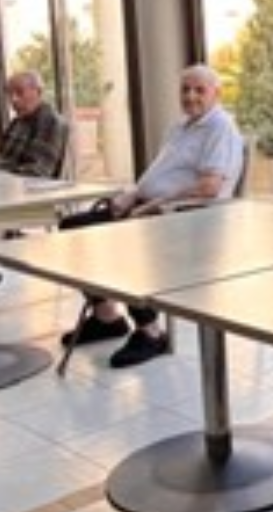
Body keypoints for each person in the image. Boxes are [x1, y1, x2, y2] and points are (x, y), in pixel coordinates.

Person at [58, 64, 244, 369]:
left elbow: (209, 187)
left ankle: (151, 332)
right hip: (148, 208)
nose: (190, 96)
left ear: (217, 93)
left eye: (199, 90)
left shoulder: (219, 128)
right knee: (71, 230)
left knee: (124, 241)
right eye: (185, 89)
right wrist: (132, 195)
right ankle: (107, 317)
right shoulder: (180, 126)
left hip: (185, 221)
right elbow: (157, 174)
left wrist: (151, 205)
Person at [0, 70, 70, 178]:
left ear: (38, 92)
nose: (13, 100)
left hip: (27, 187)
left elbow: (36, 172)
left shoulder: (51, 122)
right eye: (10, 94)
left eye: (19, 92)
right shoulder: (16, 122)